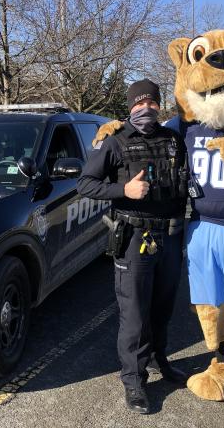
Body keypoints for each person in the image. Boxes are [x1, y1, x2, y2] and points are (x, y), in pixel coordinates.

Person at [77, 79, 189, 414]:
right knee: (135, 315)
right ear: (130, 107)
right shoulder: (114, 143)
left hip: (170, 237)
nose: (148, 109)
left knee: (163, 308)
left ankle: (159, 360)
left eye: (153, 103)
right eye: (140, 104)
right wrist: (123, 191)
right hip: (135, 239)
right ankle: (134, 380)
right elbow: (85, 183)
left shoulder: (174, 140)